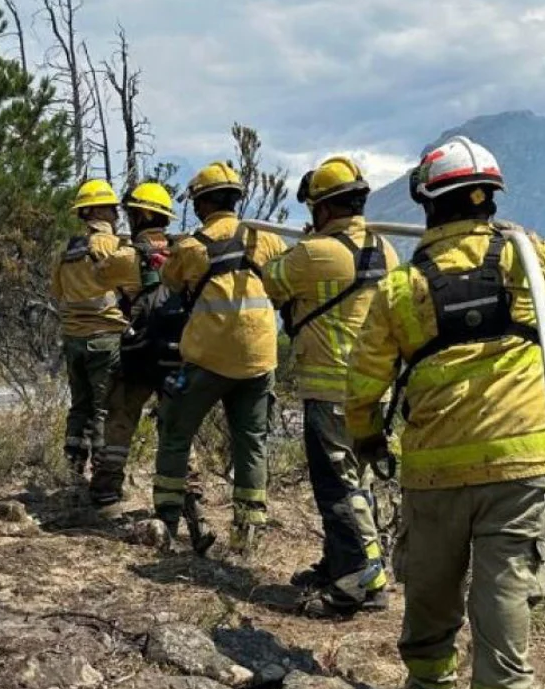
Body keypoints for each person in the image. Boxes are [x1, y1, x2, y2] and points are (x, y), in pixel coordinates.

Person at [345, 136, 545, 689]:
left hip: (434, 468)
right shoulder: (522, 262)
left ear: (426, 202)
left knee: (430, 584)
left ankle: (428, 685)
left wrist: (366, 440)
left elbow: (363, 383)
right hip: (520, 463)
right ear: (490, 198)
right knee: (505, 589)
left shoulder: (401, 288)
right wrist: (532, 245)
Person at [262, 156, 397, 618]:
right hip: (374, 391)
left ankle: (355, 584)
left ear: (322, 208)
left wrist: (301, 244)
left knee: (337, 488)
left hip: (330, 389)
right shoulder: (386, 249)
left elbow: (271, 280)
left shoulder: (315, 253)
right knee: (360, 483)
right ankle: (345, 564)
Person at [152, 162, 288, 555]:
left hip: (207, 359)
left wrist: (169, 256)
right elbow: (284, 283)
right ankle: (247, 535)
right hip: (259, 359)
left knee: (175, 432)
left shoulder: (192, 246)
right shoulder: (265, 239)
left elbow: (170, 282)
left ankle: (166, 522)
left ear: (205, 203)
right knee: (251, 444)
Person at [89, 182, 216, 550]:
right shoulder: (185, 250)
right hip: (178, 354)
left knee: (120, 417)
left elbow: (98, 277)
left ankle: (106, 493)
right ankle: (193, 505)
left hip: (139, 353)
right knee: (177, 429)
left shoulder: (128, 256)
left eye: (131, 212)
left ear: (140, 215)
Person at [51, 179, 140, 480]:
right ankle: (102, 477)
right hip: (105, 340)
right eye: (113, 209)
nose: (116, 215)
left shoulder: (66, 250)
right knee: (104, 409)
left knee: (79, 407)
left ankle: (72, 470)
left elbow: (57, 292)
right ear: (101, 211)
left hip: (72, 340)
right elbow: (134, 289)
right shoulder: (114, 247)